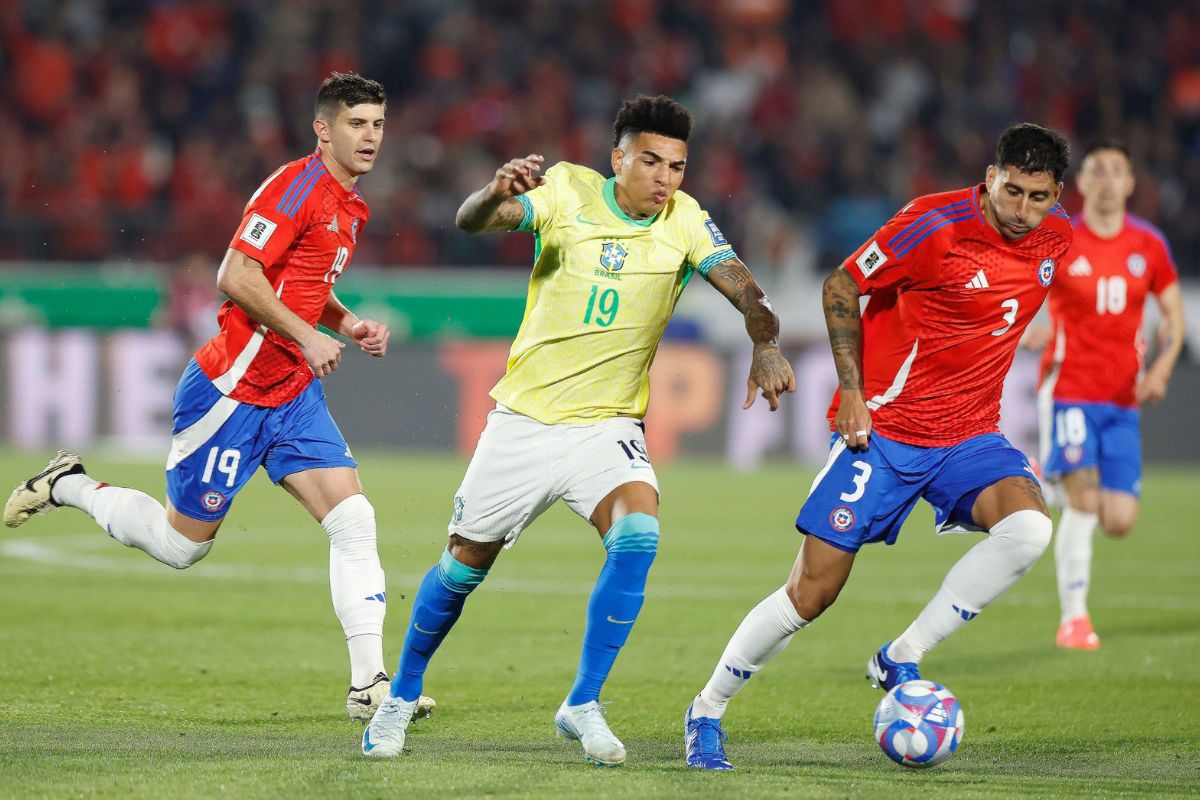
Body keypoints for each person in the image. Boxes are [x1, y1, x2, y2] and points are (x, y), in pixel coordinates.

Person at [360, 95, 796, 764]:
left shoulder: (687, 222)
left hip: (607, 428)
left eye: (678, 166)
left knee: (639, 534)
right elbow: (473, 220)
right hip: (525, 423)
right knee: (462, 567)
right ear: (617, 158)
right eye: (651, 161)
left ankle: (583, 702)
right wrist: (491, 192)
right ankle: (400, 696)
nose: (666, 178)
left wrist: (764, 342)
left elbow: (749, 292)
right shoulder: (565, 189)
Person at [4, 72, 432, 722]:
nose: (370, 135)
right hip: (231, 392)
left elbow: (304, 284)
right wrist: (308, 337)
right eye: (356, 123)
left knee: (354, 520)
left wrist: (343, 325)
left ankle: (369, 683)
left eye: (376, 123)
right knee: (182, 547)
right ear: (323, 129)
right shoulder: (295, 188)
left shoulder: (352, 205)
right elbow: (235, 275)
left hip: (290, 395)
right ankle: (69, 484)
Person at [682, 123, 1074, 770]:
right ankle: (707, 709)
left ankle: (901, 655)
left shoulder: (1058, 235)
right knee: (810, 594)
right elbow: (841, 284)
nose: (1023, 211)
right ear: (990, 175)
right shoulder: (933, 224)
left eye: (1039, 197)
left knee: (1029, 531)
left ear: (1056, 194)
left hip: (970, 434)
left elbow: (1028, 291)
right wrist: (854, 392)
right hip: (885, 432)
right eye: (1012, 192)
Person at [1029, 139, 1184, 650]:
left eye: (1118, 171)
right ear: (1084, 183)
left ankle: (1044, 476)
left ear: (1131, 183)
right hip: (1069, 388)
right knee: (1086, 504)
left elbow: (1176, 320)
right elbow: (1033, 292)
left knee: (1118, 520)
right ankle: (1074, 619)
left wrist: (1161, 368)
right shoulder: (1061, 237)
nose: (1108, 180)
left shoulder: (1149, 245)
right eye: (1098, 171)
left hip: (1122, 401)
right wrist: (1036, 323)